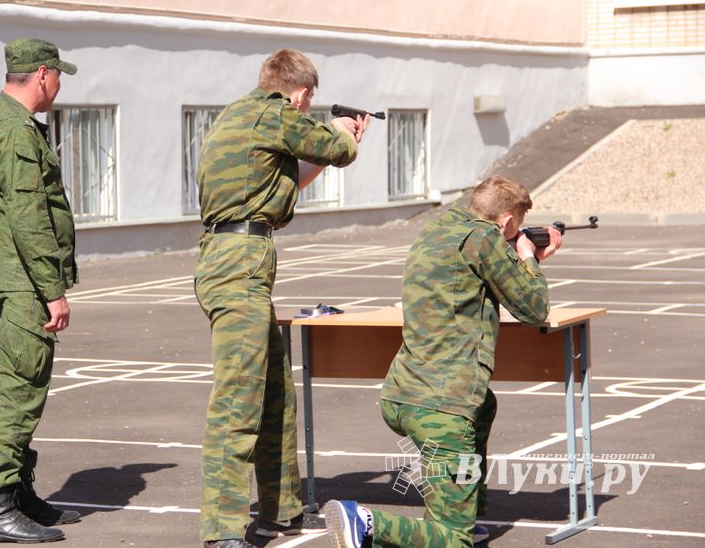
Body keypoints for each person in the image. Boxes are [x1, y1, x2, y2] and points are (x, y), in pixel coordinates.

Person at [322, 175, 563, 548]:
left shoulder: (436, 230)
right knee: (454, 541)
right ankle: (367, 523)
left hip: (404, 392)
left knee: (484, 405)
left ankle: (468, 511)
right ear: (508, 223)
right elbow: (534, 308)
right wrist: (528, 258)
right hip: (443, 408)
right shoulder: (485, 238)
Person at [194, 48, 371, 548]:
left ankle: (280, 510)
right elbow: (332, 150)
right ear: (300, 93)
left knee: (275, 396)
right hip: (238, 263)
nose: (304, 107)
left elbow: (289, 178)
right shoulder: (275, 114)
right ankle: (224, 528)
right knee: (238, 400)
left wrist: (333, 145)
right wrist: (345, 139)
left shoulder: (243, 116)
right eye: (306, 100)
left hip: (235, 258)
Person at [0, 38, 81, 544]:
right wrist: (52, 289)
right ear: (42, 74)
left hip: (13, 283)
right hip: (24, 287)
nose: (59, 85)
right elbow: (29, 220)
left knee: (25, 391)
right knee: (18, 394)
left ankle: (19, 496)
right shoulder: (14, 132)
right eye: (58, 75)